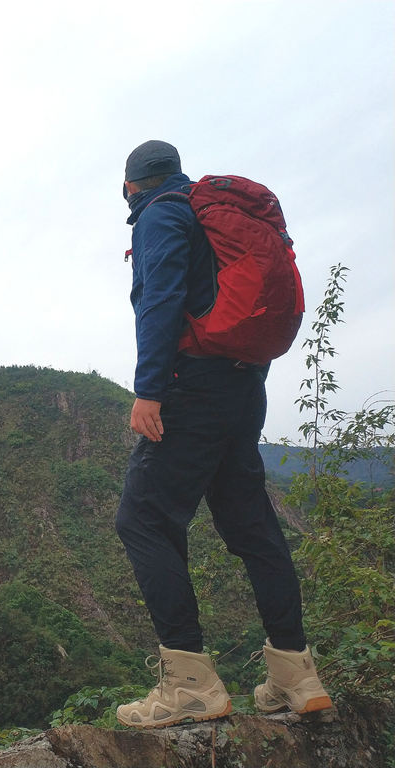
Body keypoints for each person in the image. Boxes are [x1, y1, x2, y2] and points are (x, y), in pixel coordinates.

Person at [113, 140, 332, 728]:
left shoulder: (161, 212)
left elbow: (159, 299)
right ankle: (296, 675)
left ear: (130, 185)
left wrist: (149, 388)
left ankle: (189, 687)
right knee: (251, 525)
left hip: (192, 386)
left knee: (142, 520)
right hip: (243, 384)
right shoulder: (211, 212)